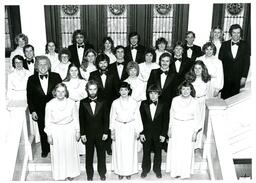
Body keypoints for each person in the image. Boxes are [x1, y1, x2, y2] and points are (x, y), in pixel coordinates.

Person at [27, 55, 62, 158]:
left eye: (45, 64)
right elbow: (29, 96)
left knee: (56, 129)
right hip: (39, 110)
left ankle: (58, 149)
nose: (43, 66)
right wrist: (33, 111)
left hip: (56, 109)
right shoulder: (31, 79)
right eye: (40, 64)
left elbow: (62, 92)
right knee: (42, 130)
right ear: (36, 66)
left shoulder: (56, 76)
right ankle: (45, 149)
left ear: (49, 65)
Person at [44, 83, 80, 181]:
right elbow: (47, 121)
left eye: (63, 91)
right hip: (56, 130)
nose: (60, 94)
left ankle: (70, 173)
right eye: (58, 91)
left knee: (69, 151)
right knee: (58, 152)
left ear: (66, 92)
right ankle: (60, 174)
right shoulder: (49, 104)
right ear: (55, 92)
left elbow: (76, 118)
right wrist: (49, 135)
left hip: (69, 129)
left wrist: (77, 131)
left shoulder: (72, 103)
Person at [166, 81, 200, 179]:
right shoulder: (175, 100)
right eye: (183, 89)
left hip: (189, 127)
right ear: (180, 89)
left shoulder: (195, 101)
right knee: (176, 149)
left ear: (191, 90)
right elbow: (171, 115)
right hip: (176, 126)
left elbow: (198, 117)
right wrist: (170, 128)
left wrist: (195, 132)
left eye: (188, 89)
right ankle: (176, 171)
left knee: (186, 150)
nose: (185, 91)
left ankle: (184, 172)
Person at [110, 82, 143, 180]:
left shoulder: (134, 102)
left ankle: (129, 171)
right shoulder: (115, 102)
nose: (123, 92)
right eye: (121, 90)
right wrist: (112, 131)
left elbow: (137, 117)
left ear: (129, 90)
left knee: (129, 150)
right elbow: (112, 117)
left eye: (125, 89)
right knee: (119, 150)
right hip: (119, 127)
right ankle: (120, 171)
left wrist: (138, 130)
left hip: (130, 127)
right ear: (119, 91)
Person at [79, 80, 109, 181]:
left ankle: (102, 173)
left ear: (97, 89)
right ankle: (89, 175)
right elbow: (81, 119)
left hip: (101, 133)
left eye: (94, 89)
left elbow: (106, 118)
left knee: (101, 155)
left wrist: (106, 132)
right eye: (90, 89)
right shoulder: (83, 102)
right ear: (87, 90)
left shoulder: (103, 101)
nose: (92, 92)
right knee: (89, 155)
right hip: (88, 134)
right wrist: (82, 134)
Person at [89, 53, 118, 155]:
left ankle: (108, 146)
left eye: (105, 62)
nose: (103, 64)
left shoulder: (113, 74)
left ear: (108, 63)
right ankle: (101, 146)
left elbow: (116, 90)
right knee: (100, 125)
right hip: (98, 105)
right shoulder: (93, 74)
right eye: (101, 62)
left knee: (109, 125)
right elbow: (91, 91)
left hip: (110, 105)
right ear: (97, 64)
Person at [139, 84, 169, 179]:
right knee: (146, 152)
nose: (153, 95)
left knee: (158, 152)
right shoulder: (143, 104)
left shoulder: (163, 104)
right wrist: (141, 133)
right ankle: (145, 169)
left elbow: (166, 120)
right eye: (151, 93)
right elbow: (140, 119)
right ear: (148, 94)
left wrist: (164, 134)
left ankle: (157, 170)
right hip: (146, 133)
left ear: (159, 94)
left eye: (155, 93)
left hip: (158, 133)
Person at [218, 24, 250, 99]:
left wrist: (244, 77)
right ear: (230, 33)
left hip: (238, 77)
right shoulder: (224, 45)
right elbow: (220, 61)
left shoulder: (245, 45)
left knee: (235, 99)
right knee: (224, 98)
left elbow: (247, 63)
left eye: (238, 33)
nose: (236, 35)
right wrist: (220, 77)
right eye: (234, 32)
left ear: (240, 34)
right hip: (225, 77)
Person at [185, 61, 211, 150]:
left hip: (202, 102)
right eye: (195, 68)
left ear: (203, 69)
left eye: (199, 68)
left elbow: (208, 94)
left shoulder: (207, 80)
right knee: (192, 122)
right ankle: (191, 144)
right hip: (192, 102)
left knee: (201, 123)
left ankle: (198, 145)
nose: (197, 70)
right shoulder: (189, 79)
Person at [63, 64, 88, 155]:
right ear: (68, 72)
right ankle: (72, 149)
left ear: (79, 71)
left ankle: (82, 149)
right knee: (71, 126)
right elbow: (64, 96)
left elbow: (86, 95)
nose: (73, 73)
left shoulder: (84, 82)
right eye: (71, 70)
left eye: (75, 70)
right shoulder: (65, 83)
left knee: (82, 125)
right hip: (69, 106)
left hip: (81, 106)